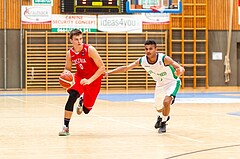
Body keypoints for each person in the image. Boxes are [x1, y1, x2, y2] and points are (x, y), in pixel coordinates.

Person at [105, 39, 184, 133]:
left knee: (166, 102)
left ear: (156, 49)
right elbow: (126, 68)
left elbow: (178, 66)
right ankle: (162, 116)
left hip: (172, 82)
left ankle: (163, 123)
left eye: (150, 49)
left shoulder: (163, 58)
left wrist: (180, 69)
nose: (148, 51)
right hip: (160, 84)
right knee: (159, 108)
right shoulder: (142, 60)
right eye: (146, 49)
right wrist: (108, 73)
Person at [59, 29, 105, 136]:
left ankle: (82, 101)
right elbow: (68, 69)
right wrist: (65, 78)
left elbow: (102, 68)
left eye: (81, 39)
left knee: (86, 110)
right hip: (80, 78)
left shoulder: (90, 50)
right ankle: (65, 127)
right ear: (71, 40)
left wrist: (89, 81)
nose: (79, 41)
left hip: (94, 79)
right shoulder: (69, 53)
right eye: (76, 39)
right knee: (72, 96)